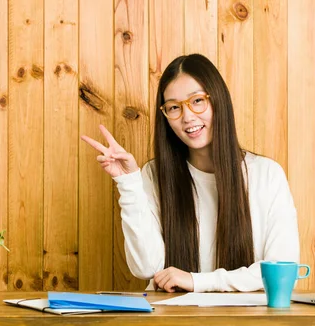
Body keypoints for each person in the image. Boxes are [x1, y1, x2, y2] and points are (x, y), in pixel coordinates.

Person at [81, 54, 300, 293]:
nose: (187, 117)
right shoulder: (154, 175)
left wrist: (197, 281)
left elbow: (283, 270)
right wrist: (129, 183)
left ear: (219, 101)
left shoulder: (266, 175)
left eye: (197, 101)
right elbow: (145, 268)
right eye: (174, 107)